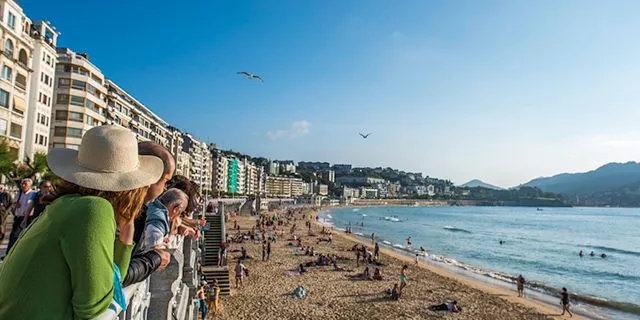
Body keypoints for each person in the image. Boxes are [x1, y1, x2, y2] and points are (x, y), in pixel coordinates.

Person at [0, 125, 164, 319]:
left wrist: (126, 236)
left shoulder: (66, 204)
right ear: (130, 187)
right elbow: (94, 307)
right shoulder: (93, 210)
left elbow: (112, 280)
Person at [6, 178, 36, 252]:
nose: (23, 185)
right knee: (13, 236)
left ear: (30, 185)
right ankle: (9, 253)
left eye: (25, 184)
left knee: (23, 236)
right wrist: (15, 205)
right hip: (18, 217)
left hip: (28, 218)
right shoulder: (19, 193)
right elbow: (14, 203)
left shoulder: (33, 194)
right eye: (22, 184)